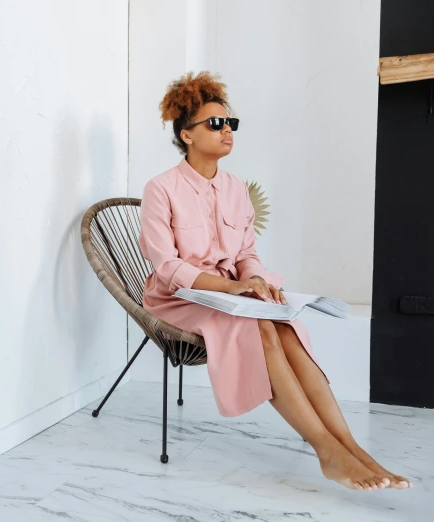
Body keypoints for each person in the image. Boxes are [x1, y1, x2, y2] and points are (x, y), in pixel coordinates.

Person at [138, 71, 412, 491]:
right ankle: (327, 450)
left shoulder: (236, 189)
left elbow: (247, 254)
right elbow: (166, 266)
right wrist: (229, 288)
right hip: (180, 299)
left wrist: (255, 281)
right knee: (260, 328)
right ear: (187, 135)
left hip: (233, 295)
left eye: (230, 123)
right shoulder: (161, 188)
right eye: (215, 123)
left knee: (283, 325)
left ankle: (351, 447)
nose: (227, 129)